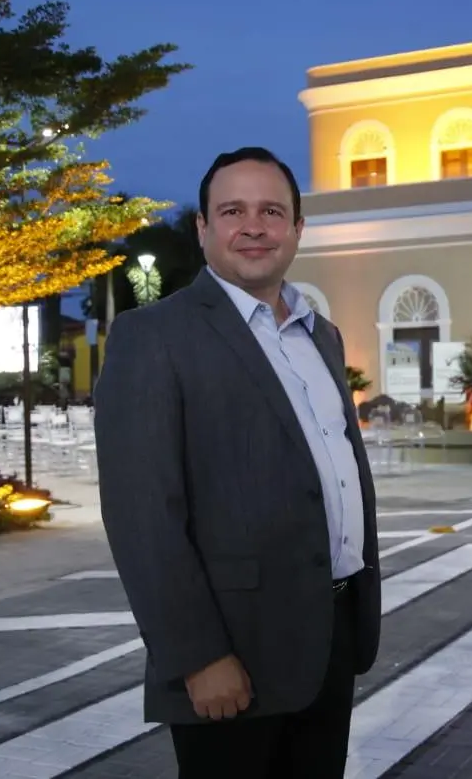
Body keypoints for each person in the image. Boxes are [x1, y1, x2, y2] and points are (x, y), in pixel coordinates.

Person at [94, 147, 382, 779]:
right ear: (202, 228)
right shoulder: (154, 337)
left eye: (272, 211)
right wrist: (198, 657)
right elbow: (144, 517)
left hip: (329, 637)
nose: (254, 226)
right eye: (232, 211)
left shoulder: (322, 335)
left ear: (297, 228)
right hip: (231, 652)